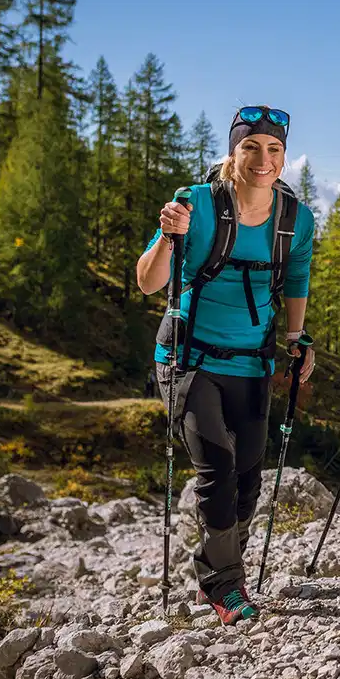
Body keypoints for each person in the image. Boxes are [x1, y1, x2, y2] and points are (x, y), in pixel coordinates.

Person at [136, 106, 316, 625]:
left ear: (284, 157)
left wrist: (296, 339)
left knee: (248, 479)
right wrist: (169, 237)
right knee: (216, 466)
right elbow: (149, 282)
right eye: (251, 147)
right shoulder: (193, 204)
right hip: (187, 358)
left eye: (274, 149)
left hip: (251, 361)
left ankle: (217, 565)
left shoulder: (295, 220)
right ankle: (225, 586)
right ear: (232, 153)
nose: (263, 159)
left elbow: (298, 278)